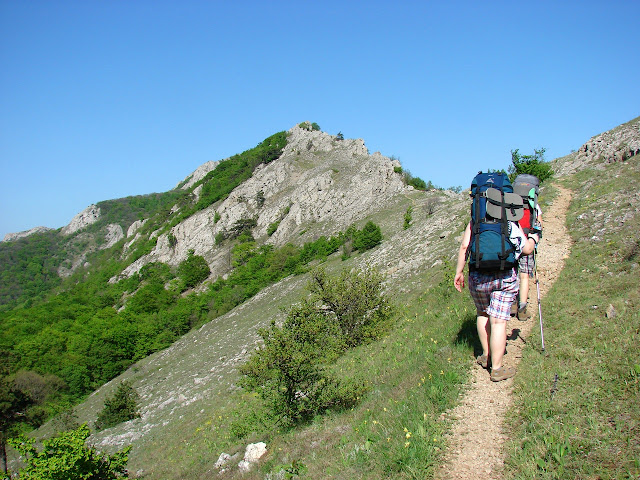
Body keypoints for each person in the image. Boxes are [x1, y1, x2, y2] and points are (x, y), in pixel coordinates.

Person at [454, 219, 539, 382]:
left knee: (483, 313)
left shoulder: (475, 222)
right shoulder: (510, 222)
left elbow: (465, 247)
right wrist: (534, 238)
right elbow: (527, 249)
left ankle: (486, 355)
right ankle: (497, 368)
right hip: (504, 277)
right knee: (498, 322)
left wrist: (459, 271)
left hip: (478, 277)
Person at [517, 205, 543, 318]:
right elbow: (540, 224)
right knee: (524, 276)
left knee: (512, 273)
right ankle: (522, 309)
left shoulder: (511, 199)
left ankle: (512, 304)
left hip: (513, 241)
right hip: (527, 240)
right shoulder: (533, 203)